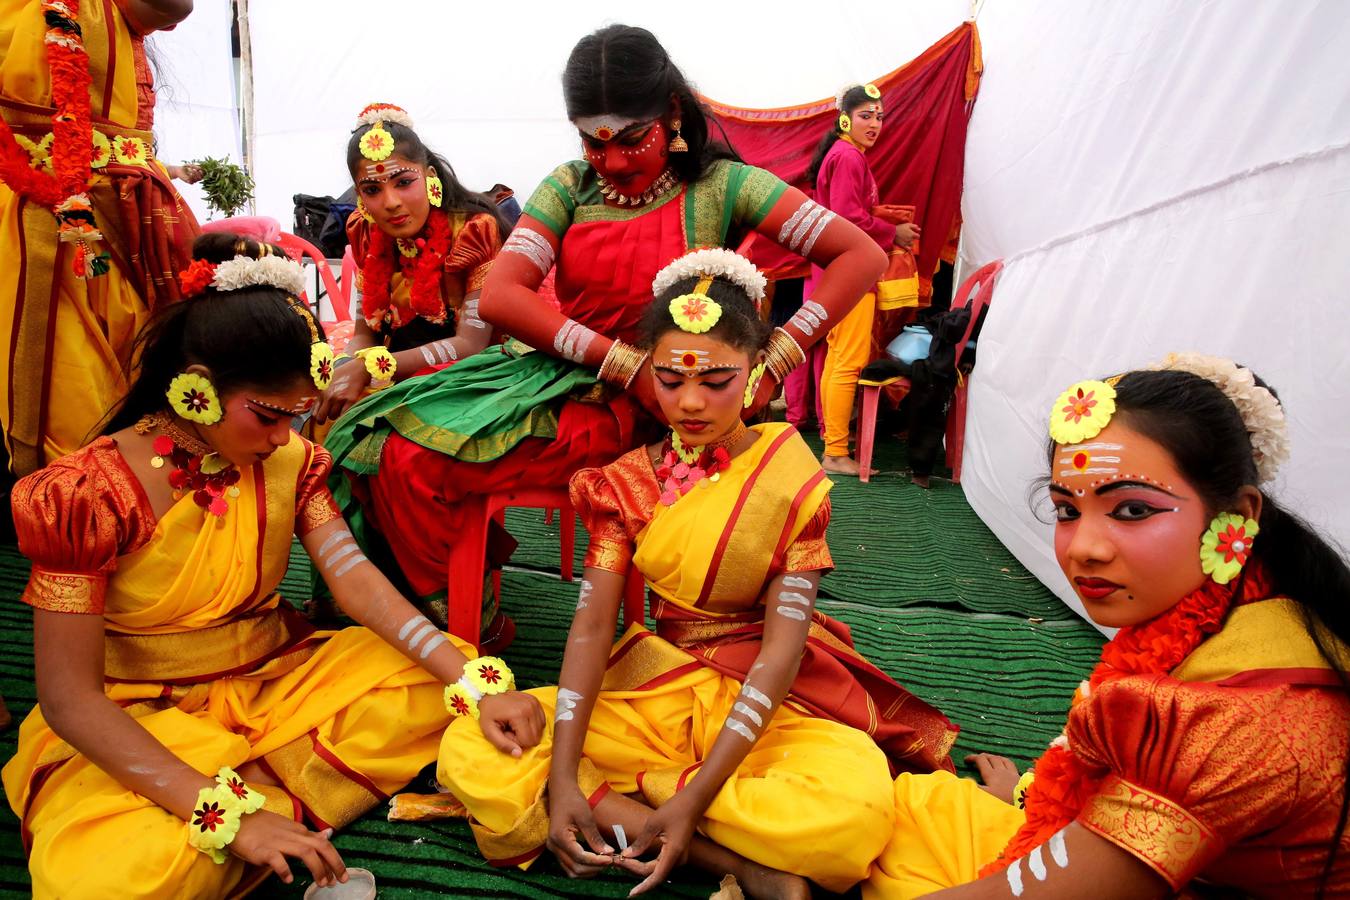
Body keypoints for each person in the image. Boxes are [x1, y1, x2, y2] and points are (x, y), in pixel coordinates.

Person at [1, 234, 545, 900]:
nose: (284, 437)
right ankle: (245, 795)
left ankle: (254, 786)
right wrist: (222, 815)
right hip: (136, 710)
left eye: (298, 415)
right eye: (267, 415)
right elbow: (67, 699)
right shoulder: (85, 494)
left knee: (445, 680)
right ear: (195, 389)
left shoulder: (291, 462)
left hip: (273, 677)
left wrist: (473, 682)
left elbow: (356, 582)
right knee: (111, 880)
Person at [323, 25, 888, 640]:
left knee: (411, 459)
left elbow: (860, 256)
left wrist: (775, 360)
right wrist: (619, 362)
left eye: (631, 139)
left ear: (672, 112)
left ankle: (453, 622)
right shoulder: (572, 183)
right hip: (561, 372)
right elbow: (508, 297)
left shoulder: (724, 185)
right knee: (363, 437)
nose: (612, 160)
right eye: (594, 142)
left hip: (657, 398)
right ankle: (440, 599)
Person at [438, 249, 958, 899]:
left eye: (715, 382)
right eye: (669, 379)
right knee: (473, 743)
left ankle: (658, 809)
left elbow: (779, 654)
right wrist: (566, 777)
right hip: (657, 686)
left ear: (756, 369)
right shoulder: (625, 484)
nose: (689, 403)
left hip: (767, 700)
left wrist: (691, 799)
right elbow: (592, 628)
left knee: (850, 815)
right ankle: (735, 865)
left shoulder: (789, 482)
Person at [865, 354, 1350, 898]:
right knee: (915, 808)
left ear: (1240, 515)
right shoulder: (1250, 603)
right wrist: (1031, 799)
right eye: (1067, 510)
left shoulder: (1233, 726)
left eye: (1133, 510)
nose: (1084, 550)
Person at [0, 0, 200, 476]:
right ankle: (70, 502)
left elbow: (173, 7)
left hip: (119, 216)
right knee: (67, 388)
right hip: (37, 217)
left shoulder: (104, 13)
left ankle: (116, 493)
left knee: (138, 356)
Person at [312, 103, 510, 426]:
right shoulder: (366, 233)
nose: (390, 202)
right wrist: (345, 366)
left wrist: (370, 368)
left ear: (429, 177)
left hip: (470, 380)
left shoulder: (473, 231)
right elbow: (365, 335)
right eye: (373, 190)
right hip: (395, 372)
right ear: (360, 197)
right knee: (321, 410)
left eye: (403, 182)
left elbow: (471, 345)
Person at [797, 83, 920, 477]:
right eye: (866, 115)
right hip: (850, 273)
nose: (875, 123)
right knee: (847, 363)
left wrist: (882, 218)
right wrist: (893, 233)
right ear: (845, 118)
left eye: (880, 116)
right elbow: (848, 217)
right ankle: (834, 452)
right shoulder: (848, 156)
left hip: (835, 272)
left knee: (838, 362)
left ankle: (834, 447)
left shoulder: (843, 155)